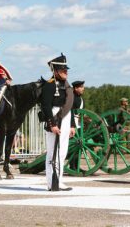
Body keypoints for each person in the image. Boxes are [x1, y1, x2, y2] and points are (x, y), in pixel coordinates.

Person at [40, 53, 75, 191]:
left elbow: (68, 106)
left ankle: (59, 180)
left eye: (66, 69)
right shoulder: (49, 85)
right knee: (52, 153)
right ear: (55, 71)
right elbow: (46, 106)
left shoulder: (66, 86)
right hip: (54, 118)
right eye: (62, 70)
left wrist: (72, 125)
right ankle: (51, 182)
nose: (65, 72)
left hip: (65, 119)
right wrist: (52, 124)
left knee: (62, 152)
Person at [69, 80, 85, 170]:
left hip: (79, 124)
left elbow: (82, 113)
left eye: (83, 87)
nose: (83, 88)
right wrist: (72, 125)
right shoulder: (71, 98)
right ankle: (72, 166)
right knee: (73, 146)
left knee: (78, 147)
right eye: (81, 87)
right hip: (71, 124)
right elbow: (70, 112)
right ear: (75, 88)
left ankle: (76, 166)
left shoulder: (81, 99)